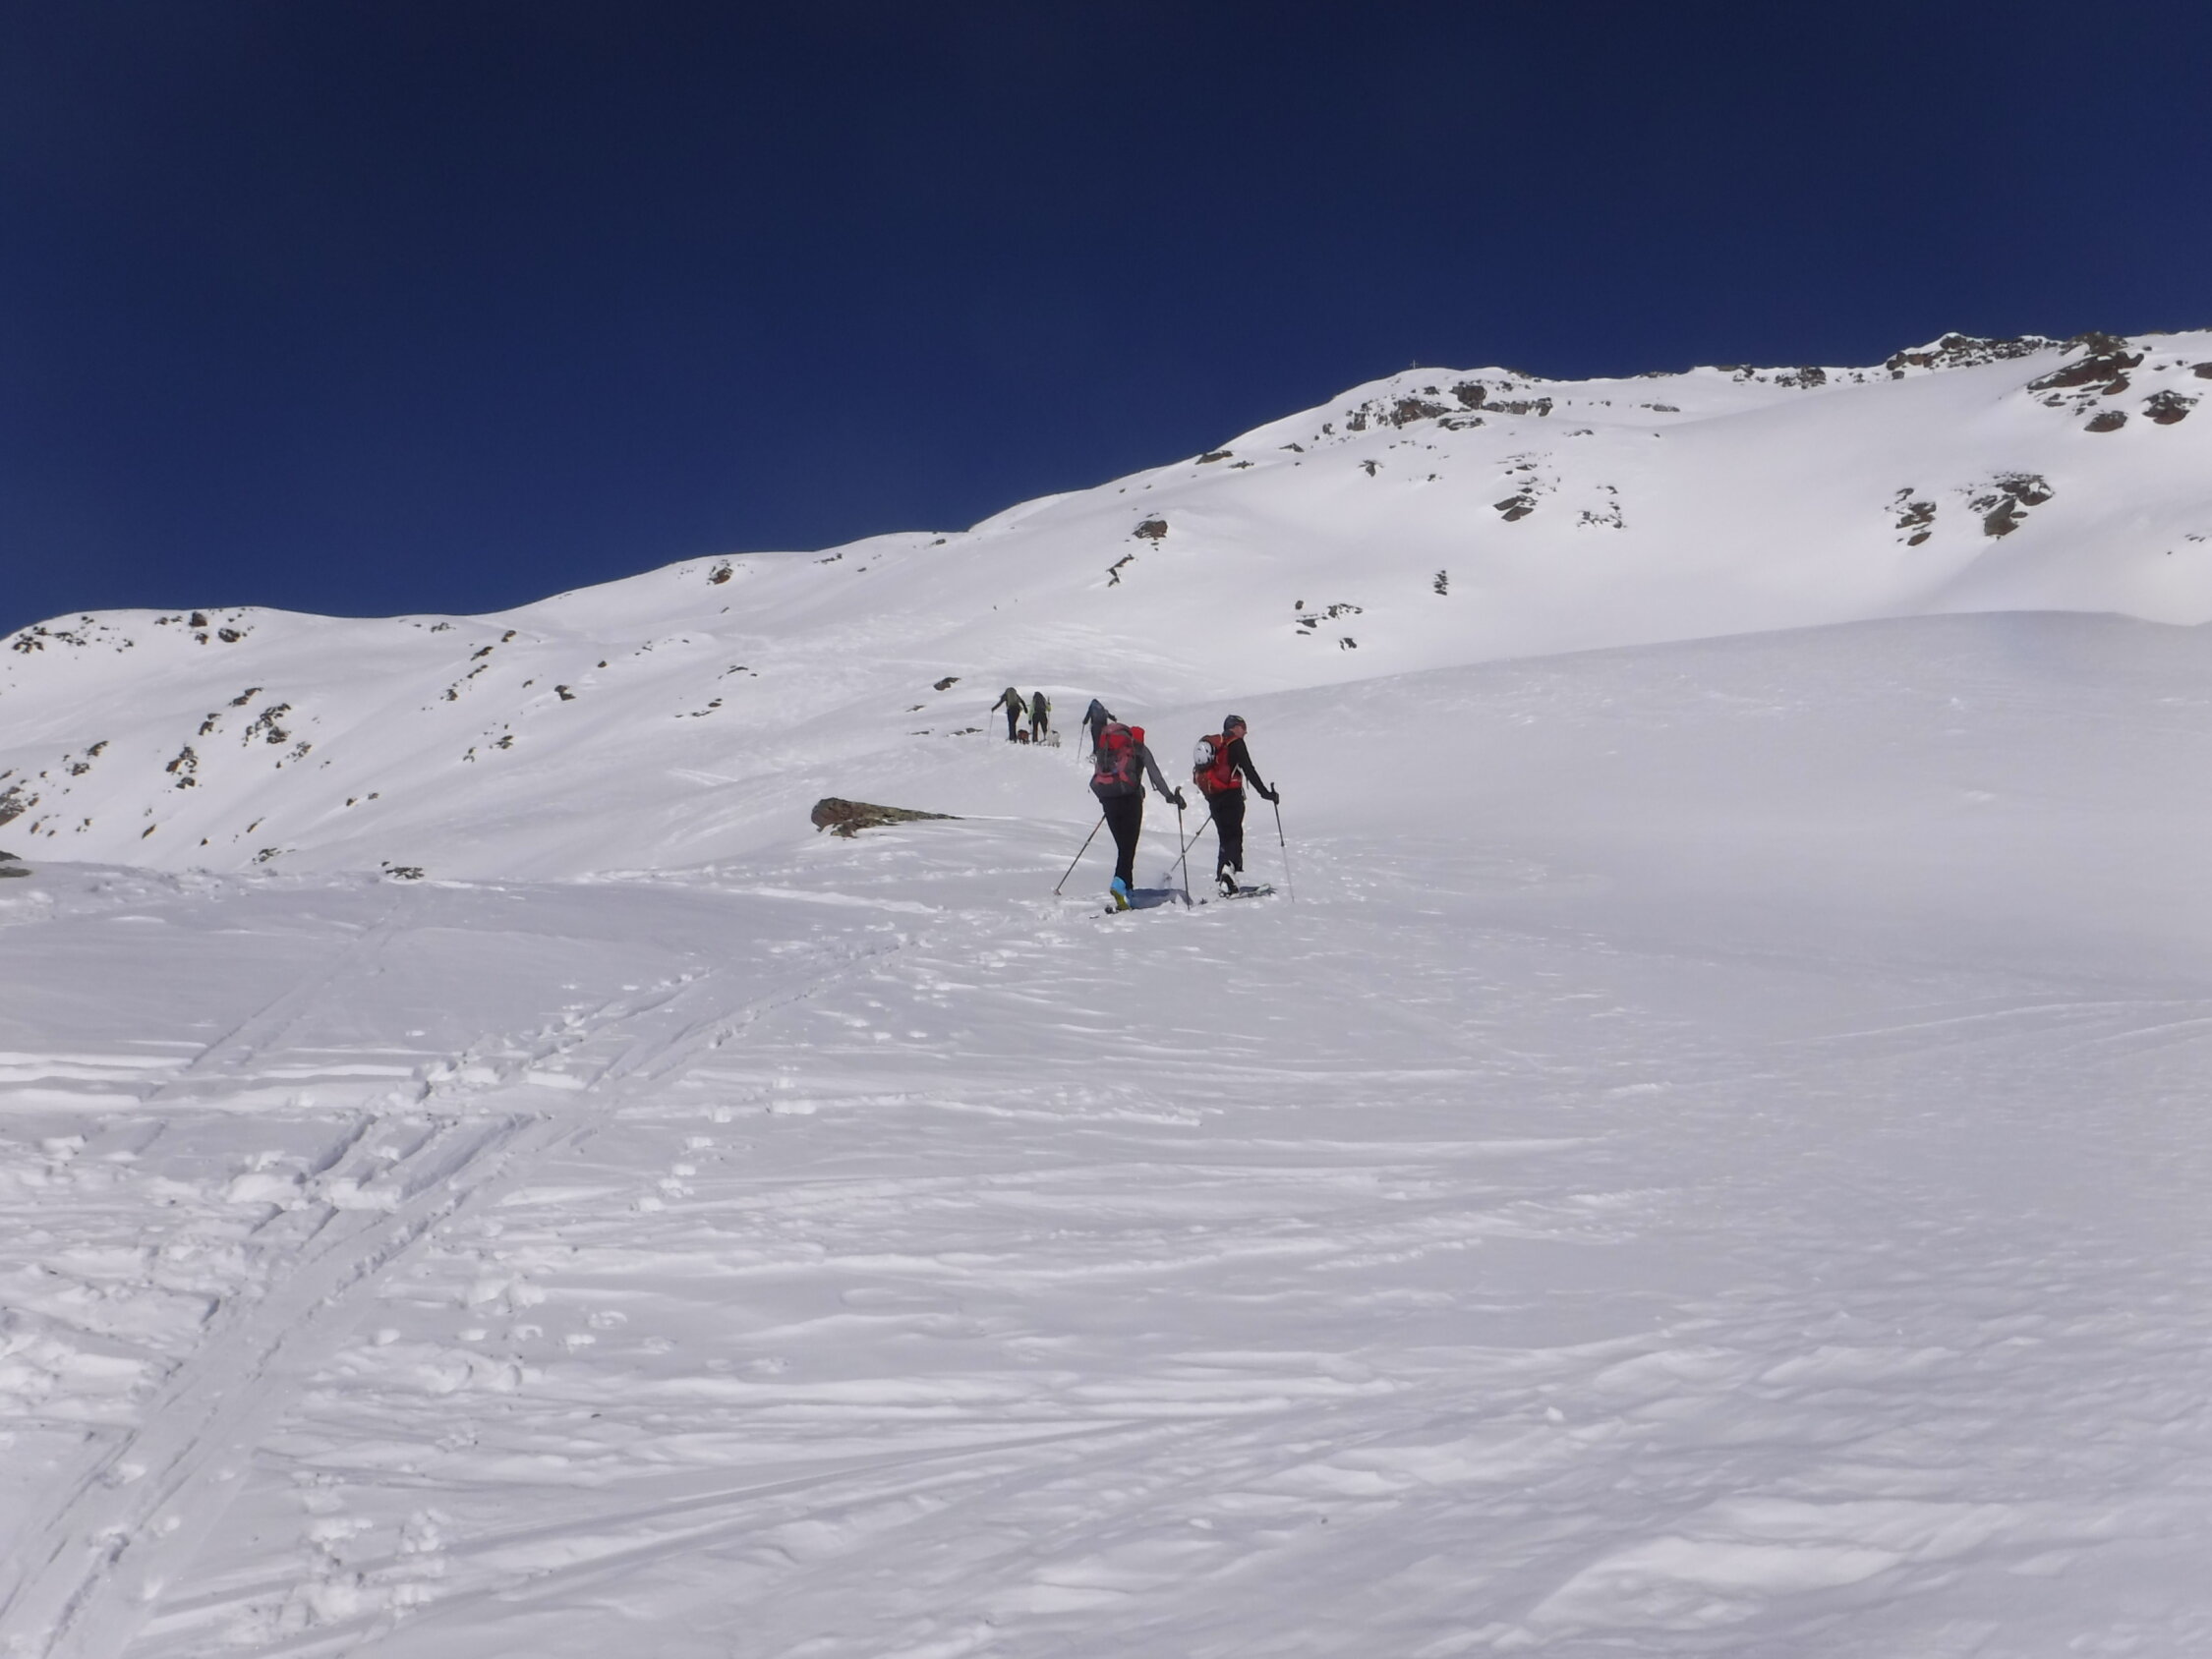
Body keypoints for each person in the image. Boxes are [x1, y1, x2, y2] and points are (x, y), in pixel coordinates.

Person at [1090, 718, 1185, 910]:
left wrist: (1107, 799)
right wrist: (1170, 796)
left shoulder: (1108, 750)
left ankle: (1127, 890)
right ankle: (1119, 884)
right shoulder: (1139, 749)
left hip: (1108, 800)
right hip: (1130, 800)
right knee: (1128, 847)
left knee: (1123, 847)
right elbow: (1155, 775)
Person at [1192, 714, 1277, 896]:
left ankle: (1223, 878)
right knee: (1234, 836)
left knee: (1225, 836)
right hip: (1231, 796)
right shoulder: (1235, 743)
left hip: (1214, 797)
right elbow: (1249, 769)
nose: (1245, 732)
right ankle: (1227, 876)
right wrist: (1265, 793)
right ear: (1235, 727)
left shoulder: (1216, 746)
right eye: (1243, 727)